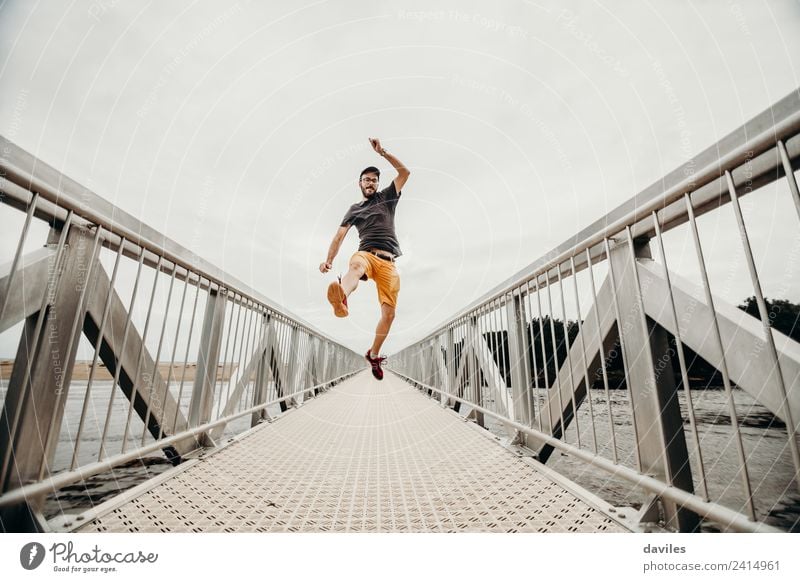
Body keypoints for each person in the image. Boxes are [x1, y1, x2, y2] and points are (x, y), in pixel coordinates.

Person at [319, 137, 410, 380]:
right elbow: (339, 236)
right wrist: (328, 260)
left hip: (389, 262)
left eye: (374, 180)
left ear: (378, 183)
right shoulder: (354, 209)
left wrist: (383, 153)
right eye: (366, 179)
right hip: (367, 254)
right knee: (356, 265)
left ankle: (373, 354)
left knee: (389, 315)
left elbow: (405, 172)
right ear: (359, 183)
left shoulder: (387, 197)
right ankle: (342, 298)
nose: (370, 183)